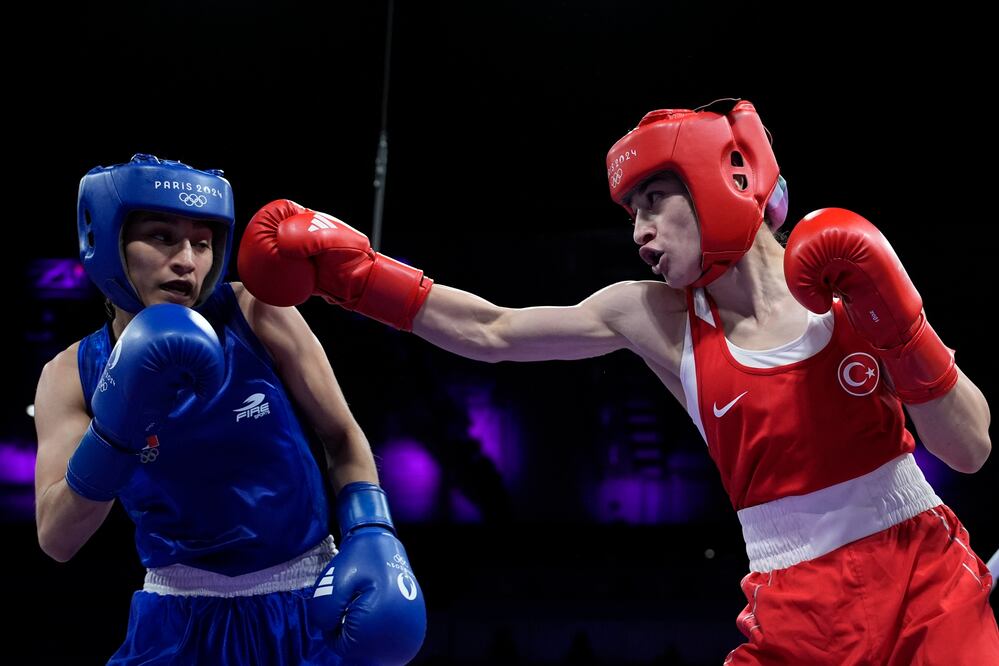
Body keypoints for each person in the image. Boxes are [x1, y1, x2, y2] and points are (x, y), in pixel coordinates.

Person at [237, 99, 999, 664]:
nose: (637, 231)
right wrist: (358, 278)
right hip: (794, 601)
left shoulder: (844, 281)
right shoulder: (654, 317)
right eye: (630, 211)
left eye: (653, 202)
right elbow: (491, 332)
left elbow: (966, 447)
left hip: (923, 575)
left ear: (723, 177)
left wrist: (902, 327)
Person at [33, 154, 426, 665]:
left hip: (303, 603)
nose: (187, 261)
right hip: (175, 619)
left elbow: (342, 436)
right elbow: (57, 538)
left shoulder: (256, 312)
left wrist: (372, 526)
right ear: (107, 241)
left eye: (202, 243)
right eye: (161, 237)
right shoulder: (70, 375)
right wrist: (117, 431)